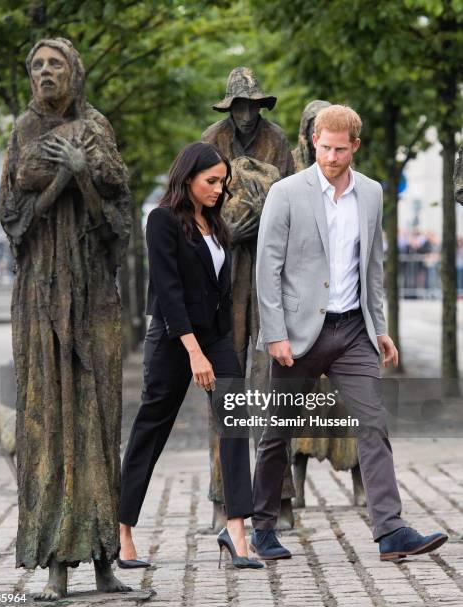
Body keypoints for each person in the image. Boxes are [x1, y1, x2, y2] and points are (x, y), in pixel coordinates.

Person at [250, 104, 448, 562]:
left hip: (352, 331)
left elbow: (372, 268)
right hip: (299, 336)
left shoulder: (373, 193)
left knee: (373, 423)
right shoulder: (286, 193)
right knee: (278, 431)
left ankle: (390, 530)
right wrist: (275, 333)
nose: (331, 157)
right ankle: (262, 528)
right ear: (313, 142)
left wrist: (380, 328)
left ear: (355, 146)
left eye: (340, 149)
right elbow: (268, 269)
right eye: (324, 148)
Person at [0, 38, 131, 600]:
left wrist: (83, 176)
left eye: (56, 64)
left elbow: (117, 223)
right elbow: (15, 219)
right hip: (41, 296)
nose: (46, 72)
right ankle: (56, 561)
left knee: (98, 418)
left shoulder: (97, 126)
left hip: (94, 292)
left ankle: (104, 558)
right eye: (37, 65)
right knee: (48, 420)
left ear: (74, 72)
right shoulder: (23, 132)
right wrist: (62, 178)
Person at [118, 142, 262, 570]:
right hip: (172, 339)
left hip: (215, 336)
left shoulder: (216, 224)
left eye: (223, 181)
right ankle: (121, 529)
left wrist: (215, 345)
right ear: (188, 178)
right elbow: (169, 290)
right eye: (211, 181)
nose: (219, 189)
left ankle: (236, 528)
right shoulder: (161, 221)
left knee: (235, 421)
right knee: (152, 428)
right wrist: (194, 353)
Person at [202, 67, 296, 529]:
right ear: (229, 108)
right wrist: (225, 229)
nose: (244, 115)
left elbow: (295, 199)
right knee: (226, 384)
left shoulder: (277, 142)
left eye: (250, 107)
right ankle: (224, 495)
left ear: (259, 107)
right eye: (237, 106)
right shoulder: (211, 139)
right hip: (224, 271)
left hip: (267, 270)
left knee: (273, 379)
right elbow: (195, 201)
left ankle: (278, 496)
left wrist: (264, 225)